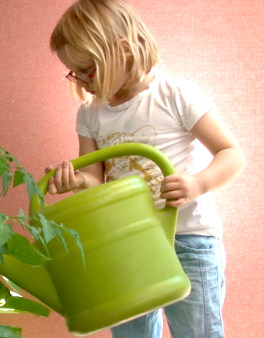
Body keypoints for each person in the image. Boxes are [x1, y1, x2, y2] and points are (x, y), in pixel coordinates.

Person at [46, 0, 245, 337]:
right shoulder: (90, 114)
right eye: (73, 72)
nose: (80, 81)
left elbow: (231, 153)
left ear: (122, 51)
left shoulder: (175, 94)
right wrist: (77, 180)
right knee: (130, 332)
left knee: (198, 331)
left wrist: (197, 184)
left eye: (88, 70)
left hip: (188, 239)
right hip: (126, 244)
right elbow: (96, 178)